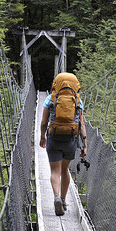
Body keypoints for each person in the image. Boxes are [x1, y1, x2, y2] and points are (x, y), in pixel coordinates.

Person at [39, 72, 87, 216]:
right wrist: (85, 144)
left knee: (54, 171)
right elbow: (82, 125)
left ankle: (56, 197)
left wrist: (42, 137)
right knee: (65, 170)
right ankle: (64, 199)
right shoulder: (77, 101)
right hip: (70, 140)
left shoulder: (50, 99)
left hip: (53, 138)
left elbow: (43, 122)